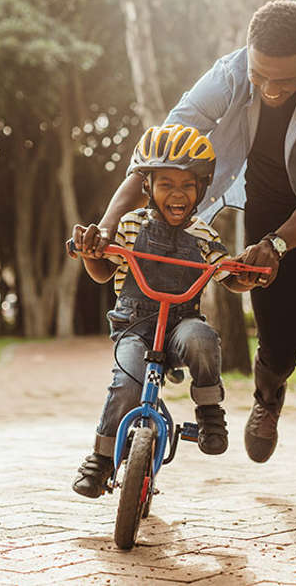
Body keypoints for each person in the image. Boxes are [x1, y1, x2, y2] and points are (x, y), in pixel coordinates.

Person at [84, 0, 296, 519]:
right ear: (248, 55)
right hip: (270, 203)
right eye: (260, 76)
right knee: (282, 342)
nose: (269, 90)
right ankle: (269, 393)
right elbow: (160, 151)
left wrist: (278, 246)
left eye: (284, 81)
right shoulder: (228, 74)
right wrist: (109, 223)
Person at [70, 124, 257, 499]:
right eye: (166, 183)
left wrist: (246, 277)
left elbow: (227, 275)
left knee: (202, 339)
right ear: (147, 186)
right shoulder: (129, 225)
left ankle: (209, 412)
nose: (177, 193)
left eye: (188, 185)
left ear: (201, 188)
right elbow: (103, 271)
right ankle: (101, 459)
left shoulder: (204, 235)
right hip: (135, 326)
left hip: (180, 326)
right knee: (127, 384)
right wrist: (91, 253)